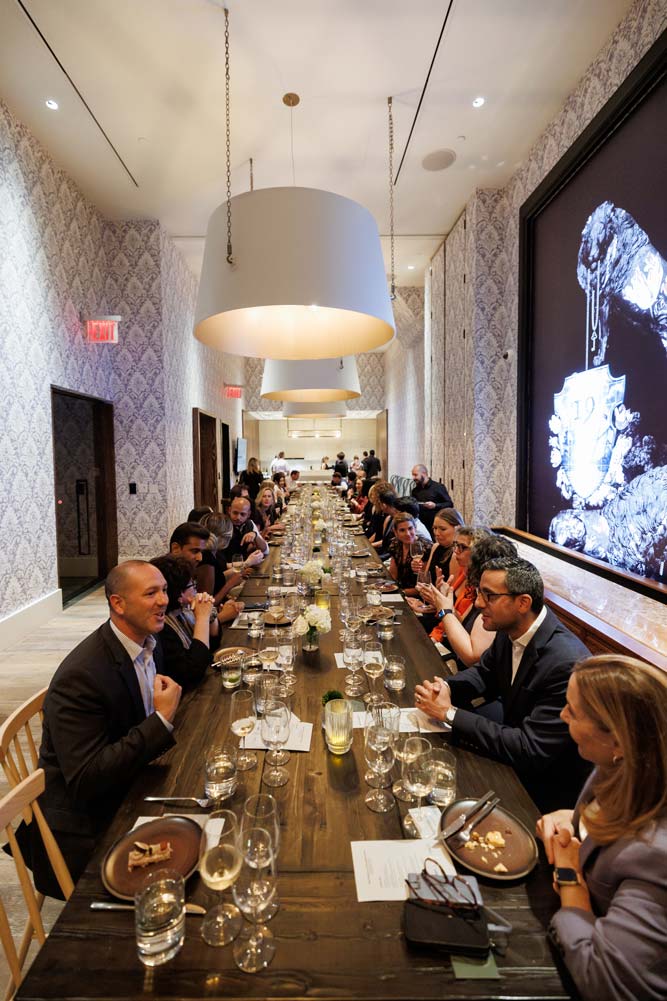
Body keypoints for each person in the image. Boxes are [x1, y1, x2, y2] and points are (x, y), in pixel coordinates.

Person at [12, 561, 182, 896]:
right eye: (151, 593)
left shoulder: (148, 642)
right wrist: (160, 721)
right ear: (118, 604)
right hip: (83, 827)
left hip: (129, 783)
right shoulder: (83, 675)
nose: (164, 600)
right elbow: (87, 779)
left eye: (164, 590)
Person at [414, 557, 592, 812]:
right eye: (478, 593)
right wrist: (446, 688)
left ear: (523, 603)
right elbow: (485, 674)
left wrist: (449, 713)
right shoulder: (512, 628)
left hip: (545, 790)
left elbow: (530, 748)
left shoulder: (565, 663)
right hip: (512, 748)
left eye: (489, 596)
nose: (478, 603)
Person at [537, 655, 667, 1001]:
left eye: (572, 712)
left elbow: (605, 980)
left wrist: (571, 883)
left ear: (620, 742)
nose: (562, 715)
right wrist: (574, 820)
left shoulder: (657, 855)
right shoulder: (616, 767)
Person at [417, 532, 517, 670]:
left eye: (462, 548)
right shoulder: (476, 589)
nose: (456, 552)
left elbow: (472, 658)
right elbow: (461, 624)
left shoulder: (498, 602)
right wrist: (443, 604)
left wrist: (444, 610)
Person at [150, 555, 241, 684]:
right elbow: (193, 671)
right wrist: (202, 618)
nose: (195, 589)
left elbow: (213, 642)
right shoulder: (162, 626)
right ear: (179, 594)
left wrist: (210, 613)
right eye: (192, 585)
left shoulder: (183, 611)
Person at [411, 508, 464, 586]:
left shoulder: (457, 554)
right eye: (435, 528)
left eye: (442, 529)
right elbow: (426, 581)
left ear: (457, 528)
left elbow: (451, 592)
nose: (436, 533)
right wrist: (419, 569)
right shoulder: (435, 547)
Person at [387, 513, 424, 596]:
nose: (407, 533)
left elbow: (423, 585)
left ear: (415, 528)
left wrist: (401, 593)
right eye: (402, 530)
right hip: (399, 590)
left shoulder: (424, 547)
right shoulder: (396, 543)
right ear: (395, 532)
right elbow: (393, 575)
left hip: (417, 595)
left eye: (410, 528)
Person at [411, 464, 454, 533]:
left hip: (435, 526)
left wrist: (435, 506)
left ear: (424, 473)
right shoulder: (415, 491)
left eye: (415, 475)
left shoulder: (438, 487)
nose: (413, 478)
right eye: (413, 475)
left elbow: (449, 504)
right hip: (420, 526)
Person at [225, 495, 269, 561]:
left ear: (248, 514)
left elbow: (266, 550)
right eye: (235, 513)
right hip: (228, 568)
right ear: (229, 510)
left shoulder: (250, 523)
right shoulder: (223, 525)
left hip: (244, 566)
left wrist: (255, 535)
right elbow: (219, 562)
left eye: (242, 514)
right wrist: (246, 564)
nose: (238, 517)